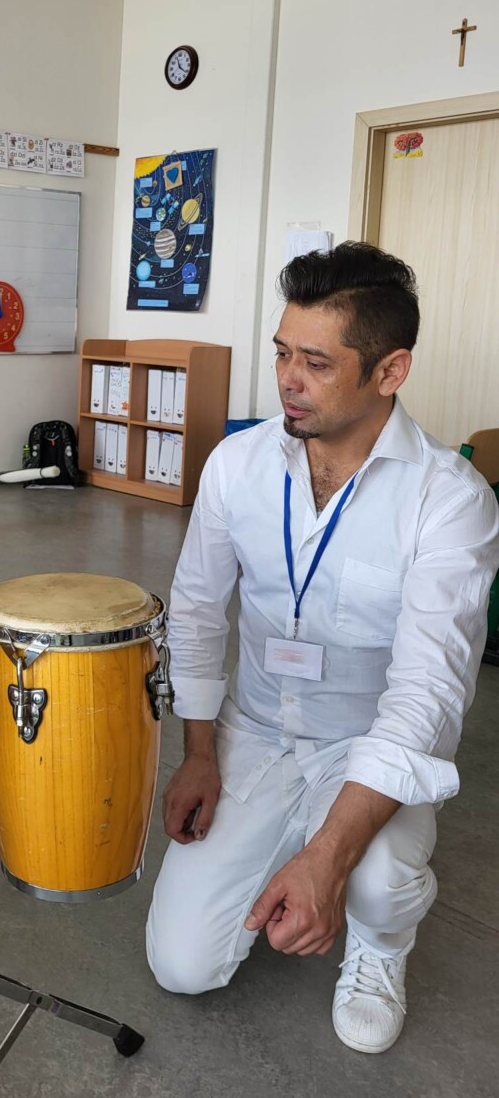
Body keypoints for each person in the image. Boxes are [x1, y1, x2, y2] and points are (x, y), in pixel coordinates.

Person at [146, 242, 499, 1053]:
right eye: (280, 352)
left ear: (390, 370)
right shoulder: (238, 465)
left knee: (375, 878)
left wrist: (330, 857)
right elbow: (198, 609)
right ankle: (299, 851)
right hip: (259, 727)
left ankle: (381, 944)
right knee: (181, 964)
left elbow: (426, 696)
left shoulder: (449, 501)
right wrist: (200, 750)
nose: (286, 379)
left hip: (366, 742)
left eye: (315, 360)